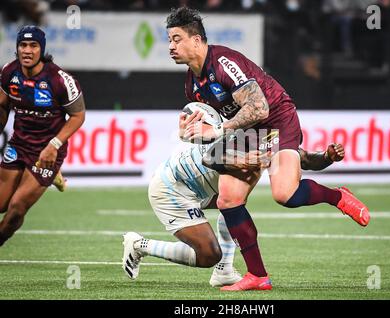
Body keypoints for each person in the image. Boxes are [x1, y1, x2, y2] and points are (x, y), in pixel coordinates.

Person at [166, 7, 370, 291]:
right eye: (170, 40)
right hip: (246, 131)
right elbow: (210, 130)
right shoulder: (193, 86)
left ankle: (336, 196)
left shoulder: (223, 63)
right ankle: (258, 276)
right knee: (228, 200)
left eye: (176, 39)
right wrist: (189, 133)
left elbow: (259, 107)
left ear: (197, 40)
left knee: (284, 194)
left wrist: (218, 131)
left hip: (276, 118)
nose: (171, 46)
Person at [122, 114, 345, 288]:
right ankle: (140, 245)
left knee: (234, 205)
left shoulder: (265, 137)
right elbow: (210, 157)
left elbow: (303, 159)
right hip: (173, 190)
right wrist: (242, 160)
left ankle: (224, 272)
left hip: (200, 188)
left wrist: (326, 157)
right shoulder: (233, 137)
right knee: (209, 254)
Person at [0, 26, 85, 247]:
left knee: (16, 208)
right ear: (17, 48)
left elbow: (78, 116)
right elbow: (2, 105)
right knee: (1, 204)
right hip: (19, 144)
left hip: (47, 152)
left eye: (33, 46)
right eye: (23, 45)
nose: (27, 50)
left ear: (42, 49)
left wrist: (54, 145)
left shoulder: (59, 80)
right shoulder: (9, 72)